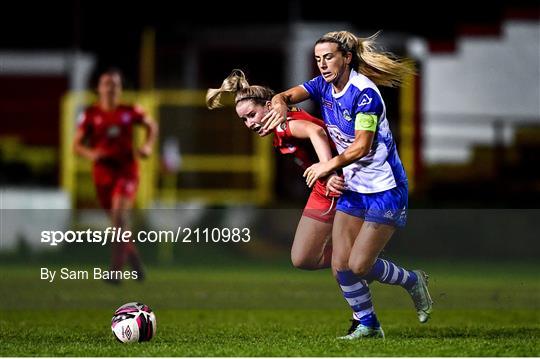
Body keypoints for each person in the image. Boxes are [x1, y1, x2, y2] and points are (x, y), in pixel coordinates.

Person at [262, 31, 433, 339]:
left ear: (347, 57)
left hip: (384, 189)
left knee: (359, 264)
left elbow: (361, 147)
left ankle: (412, 280)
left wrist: (327, 165)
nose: (323, 65)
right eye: (317, 59)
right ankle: (368, 324)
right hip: (353, 188)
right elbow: (285, 97)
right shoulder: (321, 85)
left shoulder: (364, 94)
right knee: (341, 264)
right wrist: (278, 105)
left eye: (328, 57)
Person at [206, 69, 344, 270]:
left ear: (269, 106)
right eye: (244, 120)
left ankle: (363, 258)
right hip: (328, 184)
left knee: (320, 260)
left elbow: (316, 131)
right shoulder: (279, 129)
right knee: (312, 259)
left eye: (252, 115)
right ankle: (361, 258)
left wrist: (327, 170)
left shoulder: (284, 125)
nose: (250, 123)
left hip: (337, 182)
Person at [73, 68, 158, 283]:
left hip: (126, 170)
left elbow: (152, 126)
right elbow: (76, 145)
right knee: (118, 225)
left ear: (120, 89)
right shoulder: (91, 114)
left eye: (115, 84)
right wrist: (92, 153)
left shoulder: (130, 111)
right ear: (99, 88)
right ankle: (135, 261)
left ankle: (115, 271)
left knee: (119, 217)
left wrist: (147, 146)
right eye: (107, 84)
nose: (111, 88)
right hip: (102, 173)